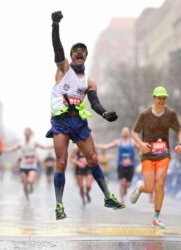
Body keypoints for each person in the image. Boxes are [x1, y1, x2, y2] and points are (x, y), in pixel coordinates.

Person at [46, 11, 124, 220]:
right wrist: (55, 24)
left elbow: (95, 103)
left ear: (86, 56)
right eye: (76, 51)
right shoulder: (63, 69)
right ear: (71, 56)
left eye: (83, 51)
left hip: (78, 122)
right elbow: (57, 47)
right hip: (61, 122)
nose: (79, 53)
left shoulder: (89, 82)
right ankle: (59, 205)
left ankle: (108, 196)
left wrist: (105, 113)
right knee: (61, 161)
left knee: (93, 158)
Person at [130, 86, 181, 228]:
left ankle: (156, 217)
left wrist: (180, 143)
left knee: (160, 183)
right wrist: (141, 144)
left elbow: (179, 130)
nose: (162, 101)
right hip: (148, 155)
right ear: (154, 98)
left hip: (164, 153)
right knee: (149, 187)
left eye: (164, 98)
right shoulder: (145, 115)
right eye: (159, 98)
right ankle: (140, 187)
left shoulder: (170, 114)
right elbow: (134, 133)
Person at [4, 128, 52, 200]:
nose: (27, 134)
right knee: (24, 184)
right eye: (25, 132)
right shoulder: (21, 143)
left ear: (31, 134)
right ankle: (27, 198)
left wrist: (53, 145)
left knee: (30, 181)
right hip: (23, 166)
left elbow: (44, 147)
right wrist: (2, 150)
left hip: (32, 166)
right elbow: (11, 149)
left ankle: (31, 185)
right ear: (24, 134)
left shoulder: (34, 143)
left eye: (28, 132)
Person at [99, 127, 138, 204]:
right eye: (124, 132)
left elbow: (140, 146)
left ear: (129, 133)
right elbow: (107, 146)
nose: (125, 133)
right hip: (121, 165)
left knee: (128, 184)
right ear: (122, 133)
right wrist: (95, 145)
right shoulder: (118, 142)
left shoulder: (132, 142)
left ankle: (125, 189)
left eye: (127, 132)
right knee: (122, 182)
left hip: (130, 165)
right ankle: (122, 199)